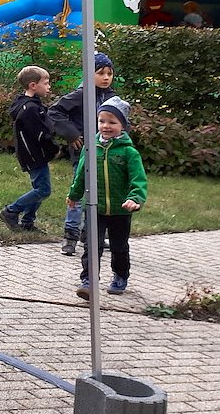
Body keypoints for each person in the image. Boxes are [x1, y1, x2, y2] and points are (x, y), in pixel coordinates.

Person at [69, 97, 148, 298]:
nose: (106, 126)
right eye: (102, 121)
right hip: (95, 207)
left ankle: (120, 275)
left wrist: (135, 198)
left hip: (121, 209)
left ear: (123, 126)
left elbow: (138, 179)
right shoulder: (91, 147)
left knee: (118, 247)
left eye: (112, 122)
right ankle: (88, 281)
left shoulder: (129, 152)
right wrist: (74, 195)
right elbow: (82, 174)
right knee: (91, 246)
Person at [47, 52, 117, 256]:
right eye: (100, 73)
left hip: (104, 153)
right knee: (78, 192)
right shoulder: (81, 94)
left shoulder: (112, 98)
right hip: (83, 153)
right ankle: (70, 236)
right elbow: (55, 112)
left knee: (98, 193)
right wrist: (72, 134)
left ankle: (90, 234)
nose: (106, 78)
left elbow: (122, 122)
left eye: (109, 73)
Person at [0, 66, 60, 232]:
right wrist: (54, 149)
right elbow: (40, 134)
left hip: (31, 154)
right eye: (46, 83)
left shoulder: (27, 104)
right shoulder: (30, 109)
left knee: (39, 188)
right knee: (43, 190)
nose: (49, 87)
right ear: (33, 85)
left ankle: (28, 221)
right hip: (34, 155)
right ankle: (11, 211)